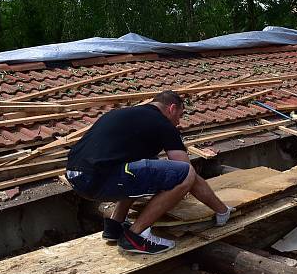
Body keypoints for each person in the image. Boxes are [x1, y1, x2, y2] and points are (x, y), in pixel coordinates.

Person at [65, 91, 233, 254]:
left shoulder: (123, 115)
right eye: (179, 116)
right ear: (172, 108)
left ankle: (114, 226)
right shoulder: (163, 124)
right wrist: (221, 210)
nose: (178, 122)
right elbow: (187, 173)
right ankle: (135, 236)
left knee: (138, 169)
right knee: (183, 174)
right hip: (98, 179)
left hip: (75, 176)